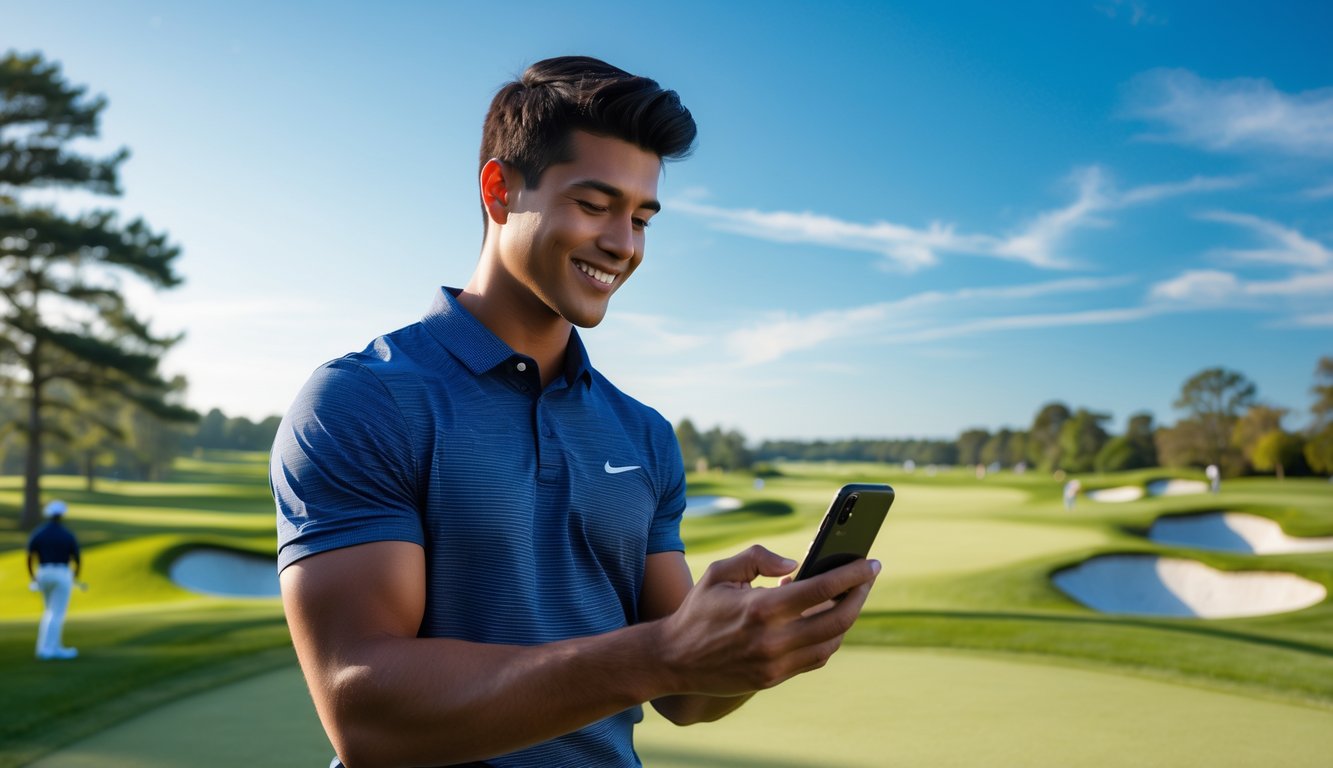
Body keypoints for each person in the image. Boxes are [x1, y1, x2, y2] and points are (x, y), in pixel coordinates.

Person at [270, 56, 879, 768]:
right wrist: (661, 654)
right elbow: (364, 712)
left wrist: (760, 644)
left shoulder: (643, 434)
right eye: (594, 205)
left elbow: (685, 696)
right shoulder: (361, 401)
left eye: (641, 217)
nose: (623, 244)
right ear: (499, 191)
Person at [27, 499, 82, 660]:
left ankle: (50, 647)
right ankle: (48, 650)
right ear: (61, 516)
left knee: (49, 611)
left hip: (43, 573)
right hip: (62, 573)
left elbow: (30, 557)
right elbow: (77, 559)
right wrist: (75, 576)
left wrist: (33, 576)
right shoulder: (67, 534)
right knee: (56, 613)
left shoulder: (39, 532)